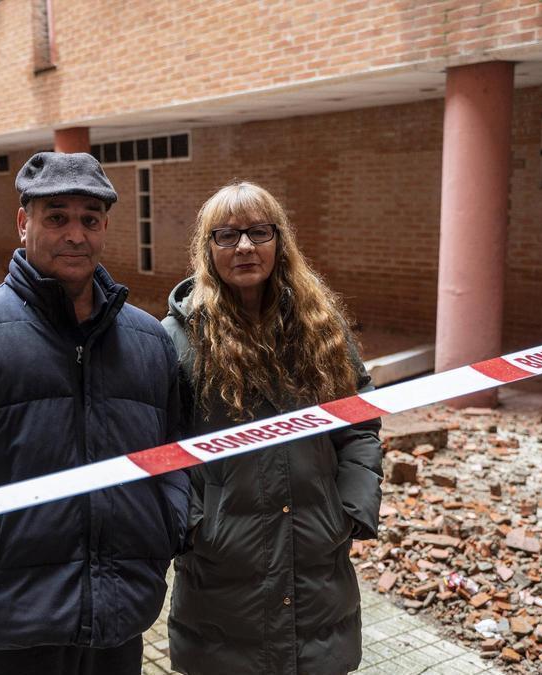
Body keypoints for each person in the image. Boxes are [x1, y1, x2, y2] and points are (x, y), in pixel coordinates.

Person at [0, 151, 189, 675]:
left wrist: (165, 530)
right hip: (8, 626)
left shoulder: (149, 340)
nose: (75, 234)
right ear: (24, 223)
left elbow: (175, 456)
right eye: (57, 217)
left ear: (105, 227)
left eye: (90, 220)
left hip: (118, 618)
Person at [162, 181, 384, 675]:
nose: (244, 246)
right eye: (227, 235)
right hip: (222, 570)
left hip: (316, 556)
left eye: (259, 232)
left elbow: (359, 424)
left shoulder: (320, 326)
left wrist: (348, 509)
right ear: (208, 248)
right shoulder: (176, 339)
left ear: (280, 241)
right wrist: (197, 527)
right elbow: (160, 450)